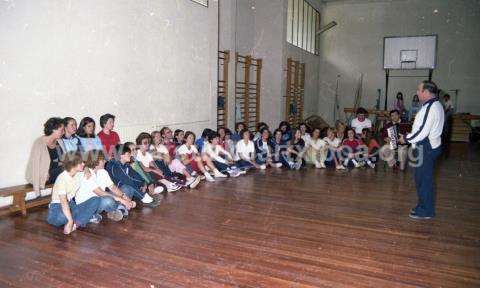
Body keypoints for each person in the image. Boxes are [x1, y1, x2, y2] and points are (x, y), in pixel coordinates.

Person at [399, 80, 444, 220]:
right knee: (422, 179)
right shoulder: (433, 105)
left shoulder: (431, 108)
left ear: (426, 92)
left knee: (423, 180)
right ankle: (423, 205)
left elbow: (422, 132)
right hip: (426, 146)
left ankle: (426, 211)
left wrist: (406, 139)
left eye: (419, 90)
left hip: (425, 147)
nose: (417, 92)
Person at [46, 152, 100, 235]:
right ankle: (80, 218)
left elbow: (87, 167)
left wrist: (86, 170)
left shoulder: (78, 174)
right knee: (62, 217)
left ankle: (76, 225)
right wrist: (70, 221)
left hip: (71, 205)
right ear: (72, 164)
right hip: (57, 206)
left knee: (96, 199)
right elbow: (63, 202)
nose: (83, 164)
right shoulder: (62, 178)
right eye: (80, 162)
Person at [76, 150, 135, 222]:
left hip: (101, 199)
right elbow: (100, 193)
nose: (105, 161)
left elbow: (112, 187)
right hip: (88, 205)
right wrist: (123, 201)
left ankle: (117, 210)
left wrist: (124, 197)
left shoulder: (103, 171)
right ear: (96, 161)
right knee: (108, 201)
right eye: (103, 160)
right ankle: (120, 208)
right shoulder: (86, 174)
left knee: (128, 189)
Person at [26, 117, 65, 196]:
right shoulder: (39, 143)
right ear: (54, 129)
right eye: (62, 130)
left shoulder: (59, 142)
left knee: (72, 167)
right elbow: (35, 165)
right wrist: (37, 190)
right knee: (66, 170)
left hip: (57, 173)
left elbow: (63, 159)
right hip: (42, 175)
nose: (63, 132)